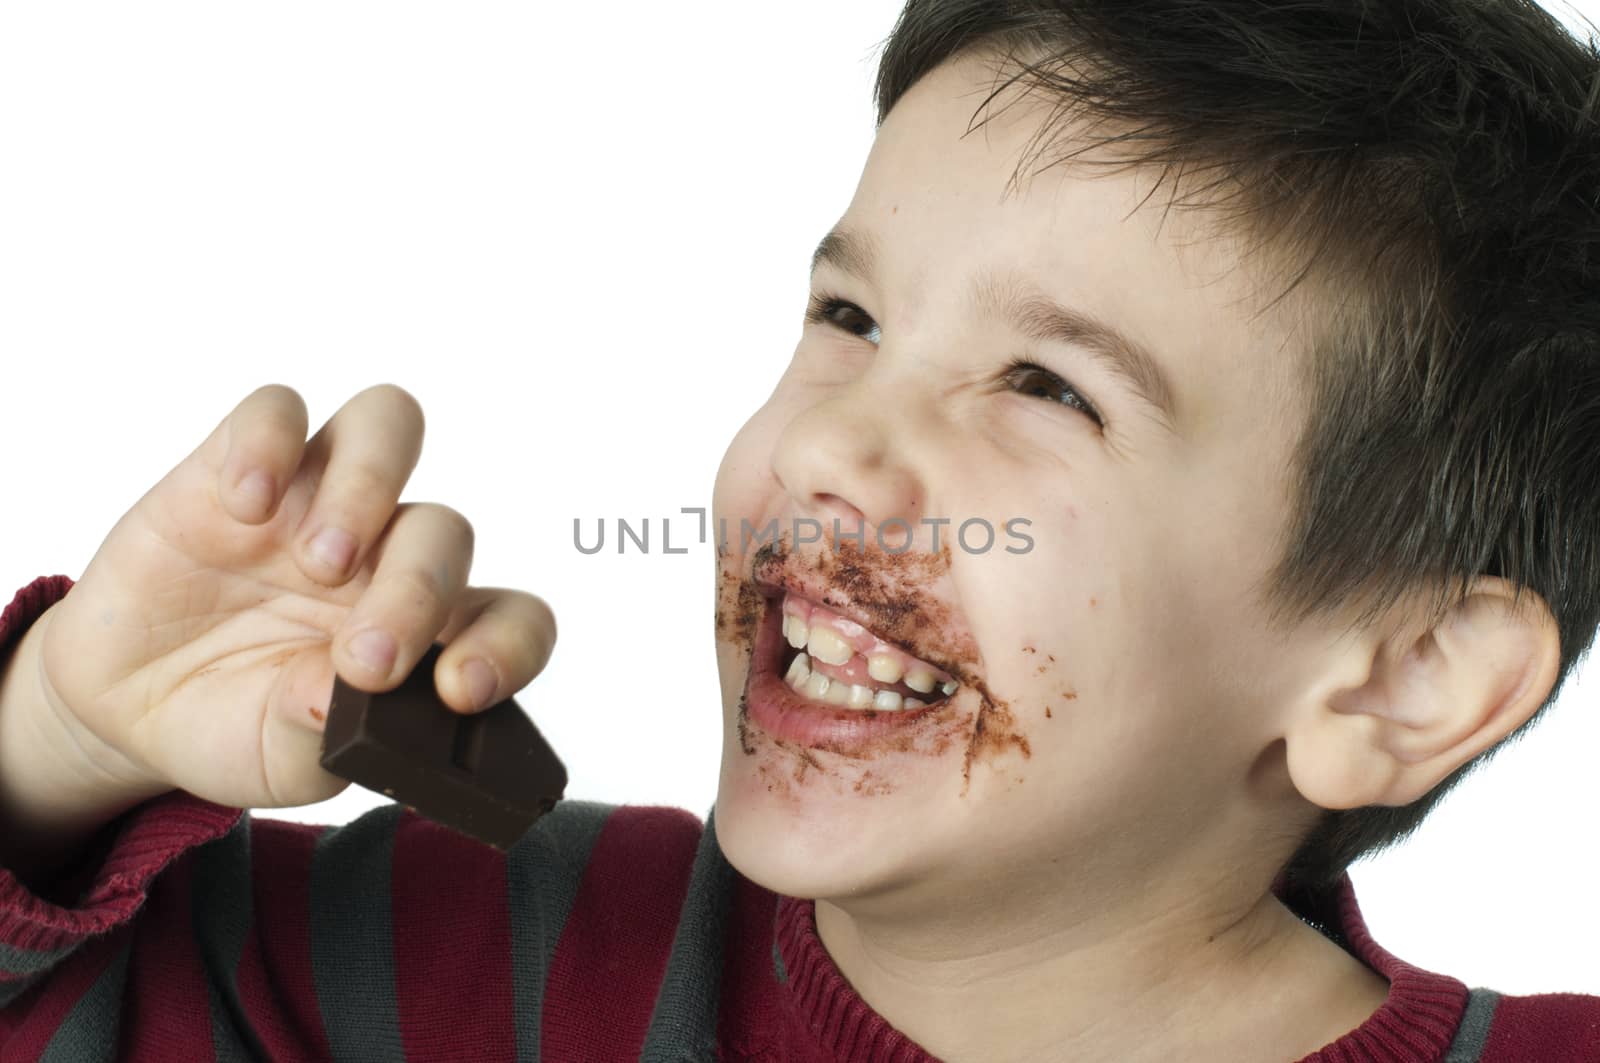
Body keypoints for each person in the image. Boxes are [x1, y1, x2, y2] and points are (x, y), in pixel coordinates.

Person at [4, 1, 1600, 1060]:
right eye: (849, 315)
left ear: (1402, 675)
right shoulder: (478, 954)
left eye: (1047, 386)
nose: (829, 439)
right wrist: (59, 746)